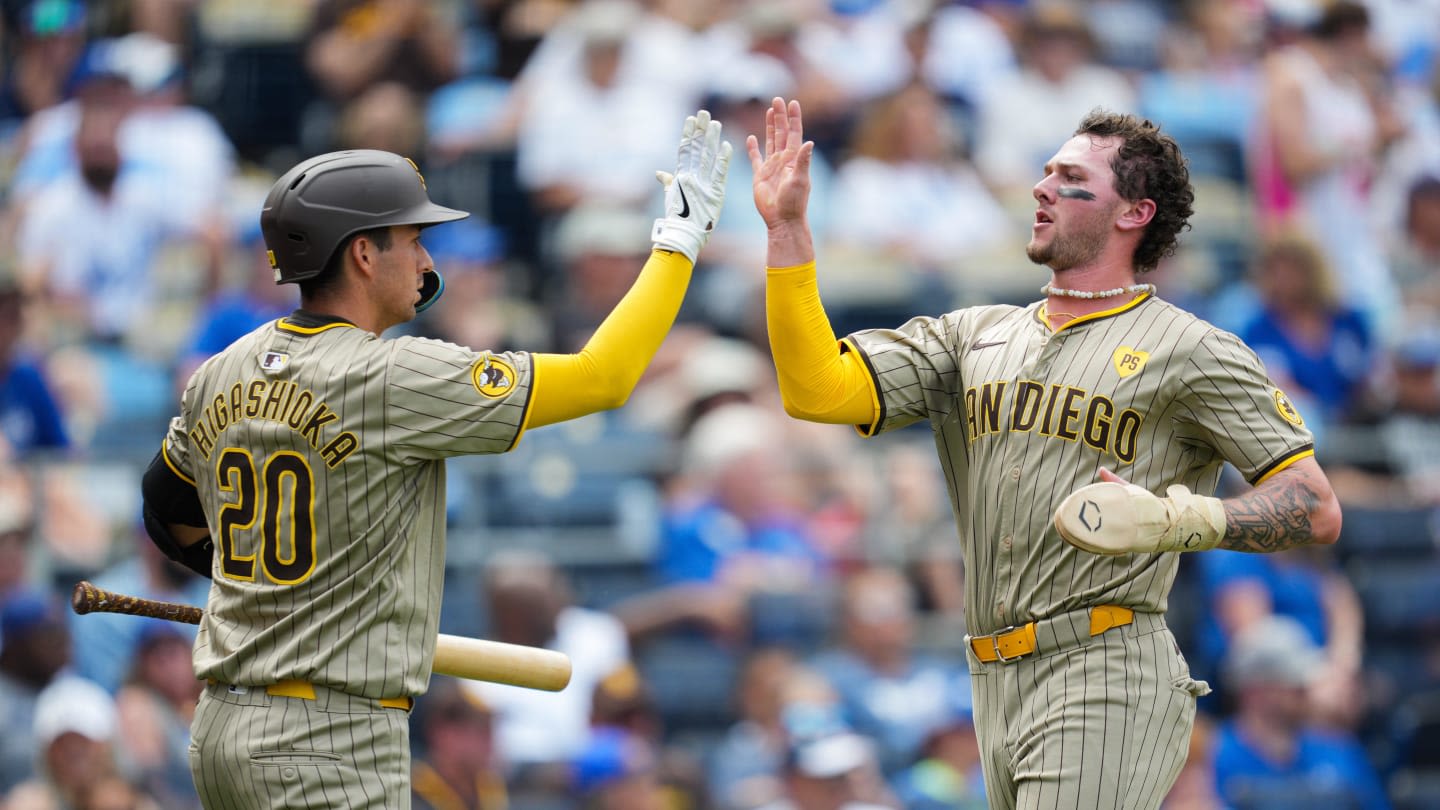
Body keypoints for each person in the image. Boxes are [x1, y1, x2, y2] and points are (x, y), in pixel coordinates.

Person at [748, 97, 1343, 808]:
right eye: (1045, 172)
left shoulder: (1193, 348)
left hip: (1105, 664)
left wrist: (1178, 519)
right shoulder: (972, 333)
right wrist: (787, 234)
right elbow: (817, 391)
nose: (1042, 187)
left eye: (1071, 178)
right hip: (993, 674)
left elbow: (1315, 506)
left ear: (1133, 213)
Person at [138, 109, 731, 809]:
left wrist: (269, 602)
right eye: (413, 240)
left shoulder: (223, 369)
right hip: (330, 739)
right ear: (363, 254)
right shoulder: (393, 375)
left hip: (225, 727)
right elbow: (604, 377)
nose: (426, 261)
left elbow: (164, 509)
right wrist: (679, 239)